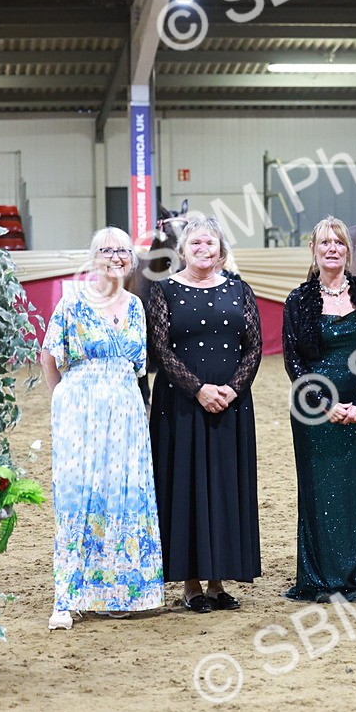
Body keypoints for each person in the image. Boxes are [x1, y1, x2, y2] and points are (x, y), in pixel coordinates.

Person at [40, 227, 165, 630]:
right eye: (107, 250)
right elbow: (49, 356)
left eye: (124, 250)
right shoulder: (71, 301)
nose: (116, 256)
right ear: (93, 257)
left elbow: (137, 365)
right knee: (78, 497)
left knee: (122, 496)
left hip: (125, 408)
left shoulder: (134, 306)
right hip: (79, 407)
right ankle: (68, 596)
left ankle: (118, 593)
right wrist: (60, 399)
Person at [148, 216, 262, 613]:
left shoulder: (240, 289)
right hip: (180, 405)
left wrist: (231, 389)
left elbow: (254, 347)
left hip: (231, 403)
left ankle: (218, 582)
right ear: (182, 250)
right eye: (195, 242)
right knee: (187, 487)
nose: (203, 248)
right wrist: (197, 389)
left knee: (225, 486)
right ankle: (191, 584)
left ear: (221, 249)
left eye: (210, 242)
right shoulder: (163, 292)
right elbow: (160, 349)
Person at [282, 216, 356, 602]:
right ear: (314, 249)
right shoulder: (298, 299)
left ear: (347, 250)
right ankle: (320, 579)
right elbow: (293, 362)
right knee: (317, 491)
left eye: (338, 242)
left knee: (355, 487)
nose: (331, 248)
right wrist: (325, 406)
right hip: (313, 410)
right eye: (324, 242)